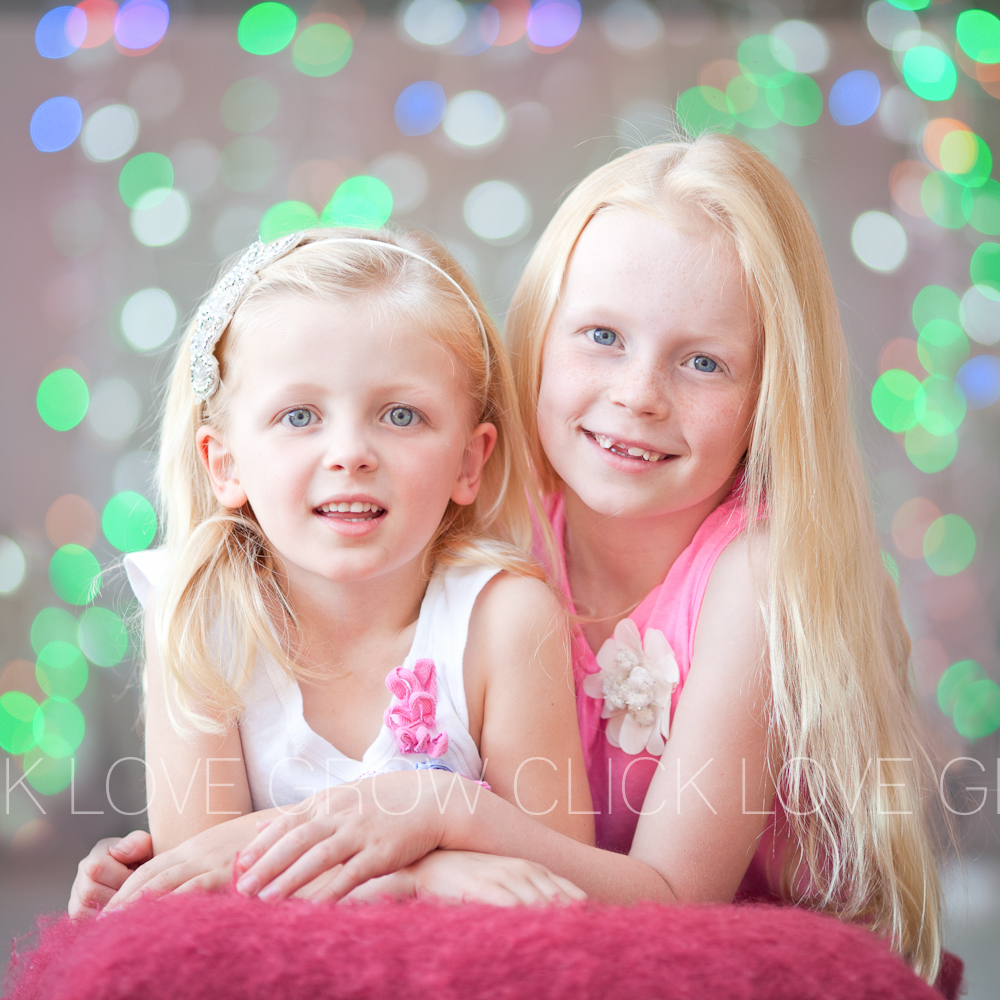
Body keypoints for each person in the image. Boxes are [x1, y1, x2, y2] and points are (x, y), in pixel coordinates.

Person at [73, 133, 943, 984]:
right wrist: (229, 858)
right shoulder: (485, 541)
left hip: (698, 938)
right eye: (601, 336)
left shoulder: (752, 578)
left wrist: (433, 816)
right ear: (539, 338)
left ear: (771, 393)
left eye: (705, 362)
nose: (639, 394)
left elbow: (672, 906)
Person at [69, 228, 593, 912]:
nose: (350, 452)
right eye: (300, 415)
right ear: (224, 463)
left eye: (401, 414)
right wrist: (430, 875)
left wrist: (262, 845)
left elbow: (556, 884)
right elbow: (198, 885)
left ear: (470, 460)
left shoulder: (506, 622)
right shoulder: (200, 619)